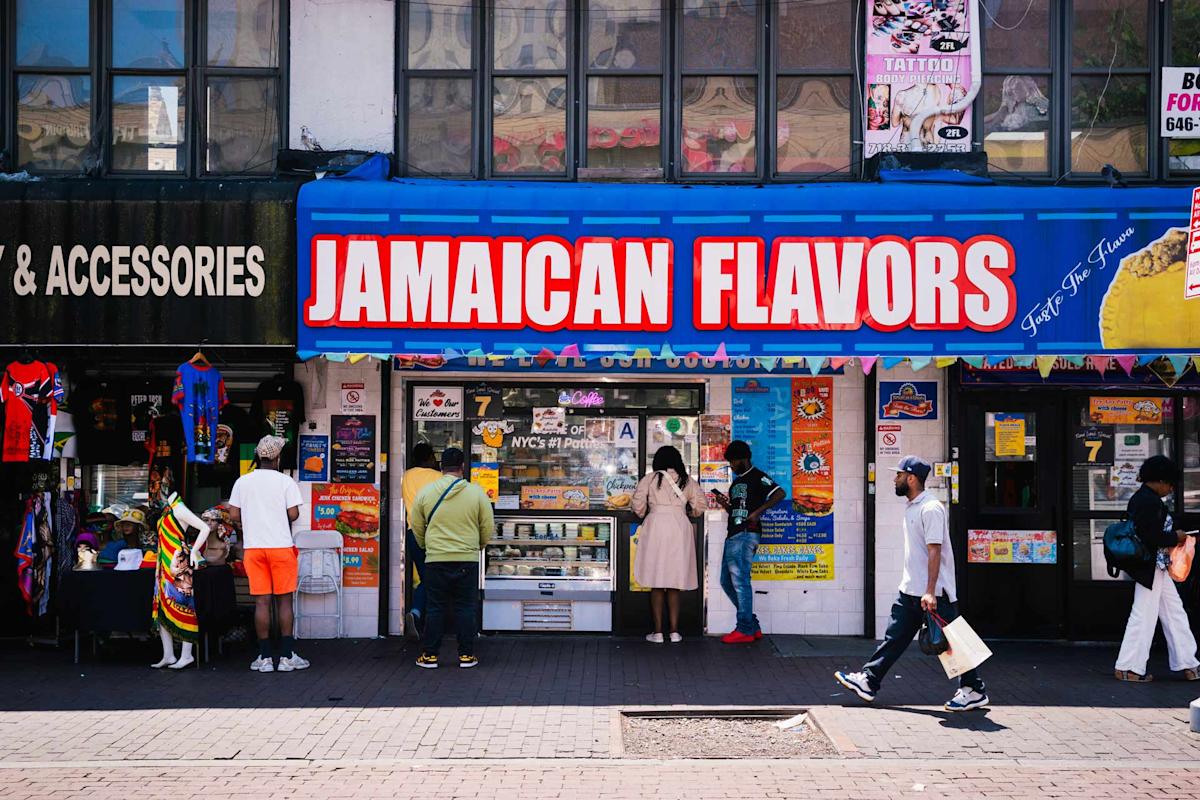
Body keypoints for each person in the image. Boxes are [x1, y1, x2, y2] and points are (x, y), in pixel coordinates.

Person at [835, 455, 989, 712]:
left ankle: (973, 689)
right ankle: (869, 681)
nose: (894, 479)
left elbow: (934, 550)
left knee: (952, 642)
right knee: (895, 637)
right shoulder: (914, 506)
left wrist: (930, 591)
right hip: (911, 590)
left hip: (933, 593)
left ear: (911, 478)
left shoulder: (931, 508)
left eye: (898, 475)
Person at [1113, 455, 1199, 682]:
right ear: (1160, 480)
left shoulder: (1143, 499)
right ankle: (1129, 667)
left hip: (1153, 566)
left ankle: (1188, 663)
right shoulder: (1149, 502)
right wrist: (1176, 537)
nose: (1170, 489)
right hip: (1151, 566)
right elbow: (1151, 536)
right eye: (1170, 484)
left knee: (1173, 612)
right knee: (1145, 614)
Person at [229, 435, 308, 674]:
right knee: (284, 600)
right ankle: (286, 657)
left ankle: (264, 658)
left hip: (254, 549)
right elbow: (293, 515)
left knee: (261, 602)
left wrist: (252, 522)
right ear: (277, 457)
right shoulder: (285, 482)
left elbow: (233, 515)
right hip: (281, 547)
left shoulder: (243, 482)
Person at [410, 447, 493, 670]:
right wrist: (479, 546)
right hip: (467, 558)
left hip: (436, 558)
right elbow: (487, 525)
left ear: (440, 467)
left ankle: (430, 656)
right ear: (463, 468)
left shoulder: (426, 493)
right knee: (465, 607)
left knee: (435, 608)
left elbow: (416, 525)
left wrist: (426, 545)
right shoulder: (476, 493)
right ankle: (466, 656)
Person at [710, 440, 784, 644]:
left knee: (740, 582)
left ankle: (744, 629)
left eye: (733, 462)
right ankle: (752, 624)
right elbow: (737, 510)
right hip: (734, 533)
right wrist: (726, 505)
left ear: (743, 459)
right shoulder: (737, 482)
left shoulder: (758, 477)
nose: (731, 466)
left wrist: (758, 513)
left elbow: (780, 493)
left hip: (745, 534)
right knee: (726, 581)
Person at [633, 446, 707, 643]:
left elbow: (638, 506)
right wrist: (689, 513)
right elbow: (700, 505)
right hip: (679, 527)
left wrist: (645, 511)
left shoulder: (650, 479)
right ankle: (674, 632)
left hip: (656, 526)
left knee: (657, 581)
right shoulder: (687, 480)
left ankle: (657, 633)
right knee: (674, 581)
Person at [401, 443, 443, 639]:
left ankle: (418, 615)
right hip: (436, 534)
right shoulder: (438, 477)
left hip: (413, 533)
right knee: (434, 579)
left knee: (427, 578)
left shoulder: (407, 475)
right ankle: (423, 617)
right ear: (429, 458)